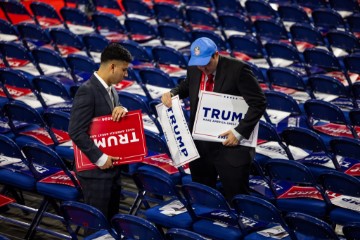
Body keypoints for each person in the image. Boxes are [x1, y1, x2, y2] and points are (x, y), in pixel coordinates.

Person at [161, 37, 266, 201]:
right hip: (201, 147)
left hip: (231, 147)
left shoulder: (238, 70)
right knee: (203, 197)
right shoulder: (195, 68)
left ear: (216, 55)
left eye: (206, 63)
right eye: (199, 64)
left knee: (237, 199)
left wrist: (239, 132)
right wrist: (173, 93)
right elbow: (188, 86)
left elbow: (258, 103)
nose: (203, 68)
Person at [69, 42, 132, 220]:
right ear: (112, 67)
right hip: (95, 172)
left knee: (110, 224)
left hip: (111, 169)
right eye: (124, 69)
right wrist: (100, 158)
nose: (126, 74)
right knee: (96, 226)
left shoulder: (112, 90)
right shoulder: (87, 91)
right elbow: (75, 131)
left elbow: (110, 114)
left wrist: (122, 110)